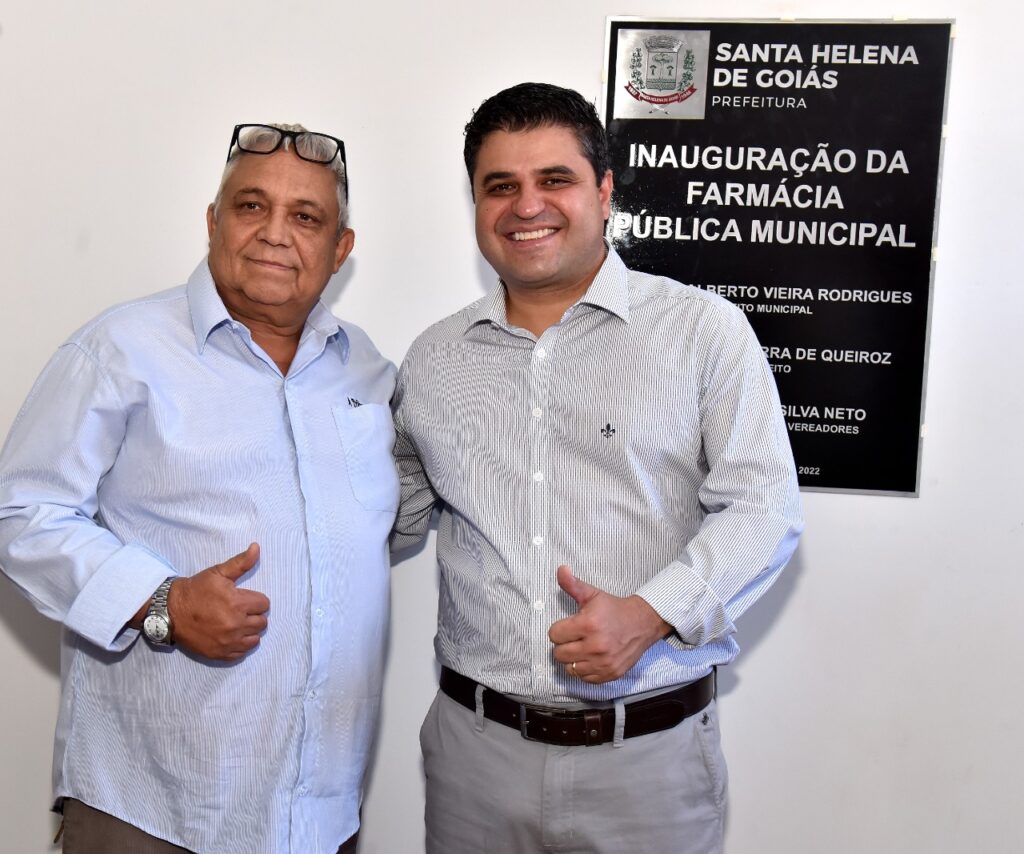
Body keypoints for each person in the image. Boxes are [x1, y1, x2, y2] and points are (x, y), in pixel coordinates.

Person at [391, 83, 803, 853]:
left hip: (648, 767)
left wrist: (651, 614)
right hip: (474, 763)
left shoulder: (703, 332)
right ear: (476, 202)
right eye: (500, 186)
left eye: (555, 179)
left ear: (605, 192)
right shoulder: (434, 360)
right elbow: (386, 512)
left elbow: (764, 509)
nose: (527, 206)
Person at [0, 123, 398, 853]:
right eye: (251, 206)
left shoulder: (367, 370)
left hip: (318, 814)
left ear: (340, 249)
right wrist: (162, 602)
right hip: (152, 810)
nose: (275, 233)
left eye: (306, 216)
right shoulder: (122, 348)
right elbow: (20, 511)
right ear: (213, 222)